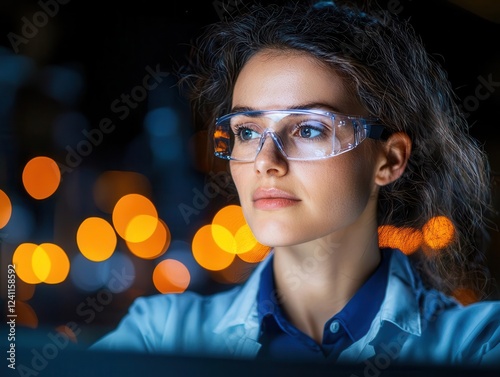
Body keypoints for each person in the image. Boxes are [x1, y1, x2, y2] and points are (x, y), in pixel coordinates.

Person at [90, 0, 500, 368]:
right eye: (247, 132)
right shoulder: (160, 335)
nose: (266, 163)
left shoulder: (477, 345)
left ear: (388, 159)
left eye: (307, 129)